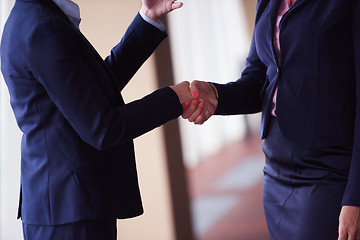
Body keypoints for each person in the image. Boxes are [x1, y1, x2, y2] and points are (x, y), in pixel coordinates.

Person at [0, 0, 210, 239]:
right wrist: (172, 98)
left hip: (65, 207)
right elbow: (102, 128)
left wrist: (147, 18)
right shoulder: (43, 27)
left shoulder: (33, 17)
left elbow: (90, 93)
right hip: (69, 212)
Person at [187, 0, 360, 239]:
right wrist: (217, 95)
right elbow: (258, 78)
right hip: (275, 168)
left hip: (328, 168)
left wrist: (355, 196)